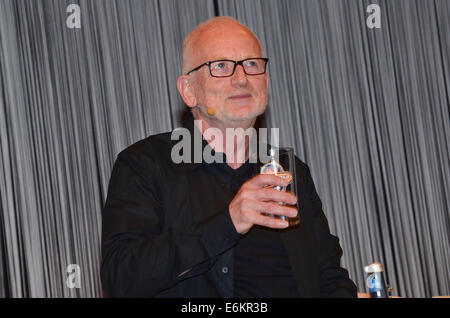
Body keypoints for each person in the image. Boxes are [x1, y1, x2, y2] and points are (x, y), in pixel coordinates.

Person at [101, 16, 357, 298]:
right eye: (221, 66)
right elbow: (121, 277)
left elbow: (329, 275)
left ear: (266, 82)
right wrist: (229, 222)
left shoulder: (289, 170)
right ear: (189, 90)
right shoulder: (145, 164)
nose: (241, 78)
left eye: (252, 64)